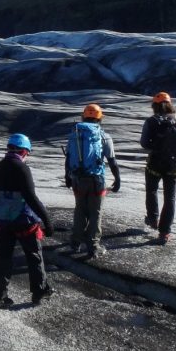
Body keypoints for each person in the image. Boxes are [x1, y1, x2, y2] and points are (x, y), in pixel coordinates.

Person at [0, 133, 55, 309]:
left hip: (2, 221)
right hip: (24, 221)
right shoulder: (22, 168)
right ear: (24, 151)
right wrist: (47, 221)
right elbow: (31, 197)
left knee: (2, 257)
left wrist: (5, 207)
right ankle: (39, 293)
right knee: (33, 256)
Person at [64, 104, 121, 259]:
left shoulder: (74, 134)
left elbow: (68, 157)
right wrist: (117, 179)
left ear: (84, 116)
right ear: (99, 117)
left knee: (80, 210)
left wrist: (67, 177)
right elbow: (112, 161)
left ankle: (75, 243)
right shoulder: (104, 136)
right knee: (95, 213)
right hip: (97, 180)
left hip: (77, 178)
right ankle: (93, 247)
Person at [140, 92, 176, 245]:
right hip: (173, 165)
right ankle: (165, 232)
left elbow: (144, 143)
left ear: (154, 106)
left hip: (154, 163)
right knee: (170, 197)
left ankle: (153, 219)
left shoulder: (151, 121)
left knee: (152, 190)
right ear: (170, 104)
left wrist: (156, 146)